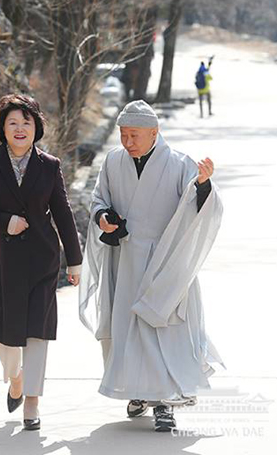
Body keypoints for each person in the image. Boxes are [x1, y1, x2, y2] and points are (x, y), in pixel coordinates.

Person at [79, 99, 223, 433]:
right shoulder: (113, 162)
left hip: (165, 261)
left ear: (154, 133)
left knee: (163, 332)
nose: (127, 143)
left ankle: (164, 404)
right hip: (126, 259)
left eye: (134, 136)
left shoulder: (179, 164)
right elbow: (100, 199)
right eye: (123, 135)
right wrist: (104, 218)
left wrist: (203, 185)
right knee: (129, 331)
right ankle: (138, 392)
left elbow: (201, 206)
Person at [0, 94, 83, 431]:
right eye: (12, 123)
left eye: (26, 122)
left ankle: (32, 401)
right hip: (0, 259)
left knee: (36, 333)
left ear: (36, 127)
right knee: (2, 333)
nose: (20, 129)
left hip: (40, 260)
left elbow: (62, 212)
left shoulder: (49, 165)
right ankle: (15, 377)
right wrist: (5, 222)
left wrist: (74, 261)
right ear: (2, 128)